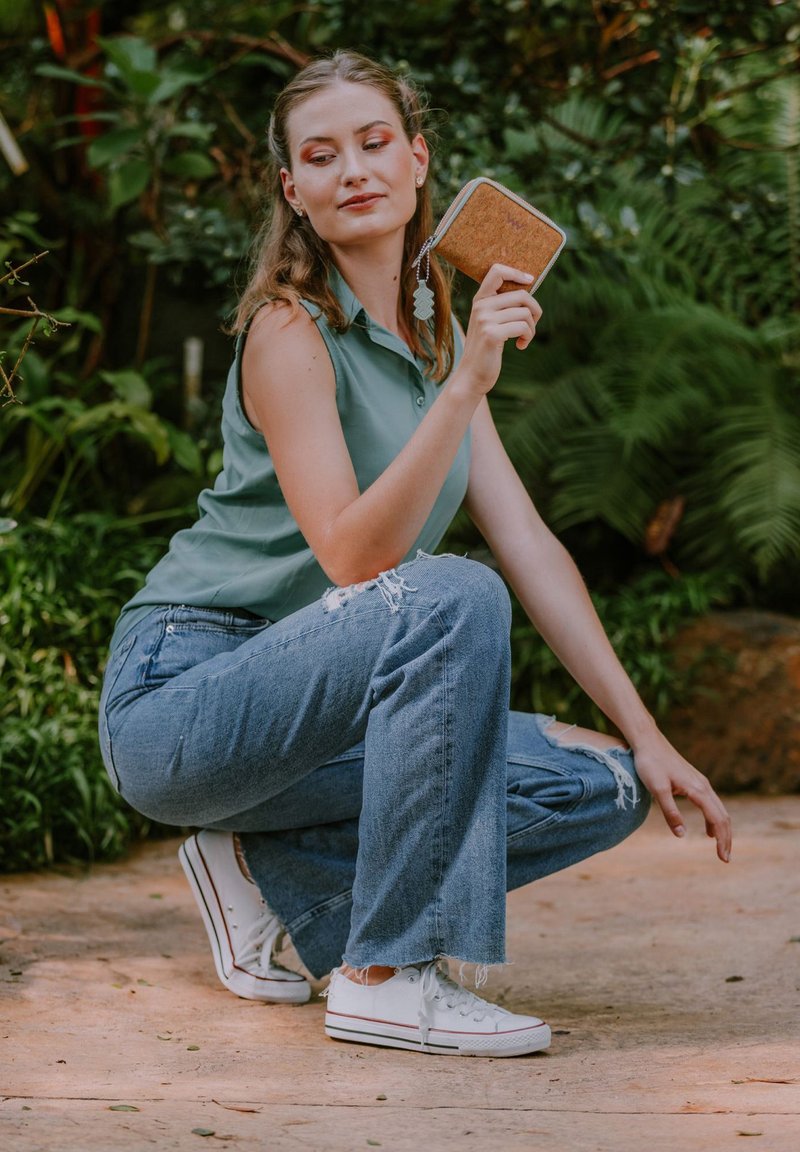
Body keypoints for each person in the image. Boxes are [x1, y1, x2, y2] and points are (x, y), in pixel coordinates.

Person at [98, 49, 732, 1060]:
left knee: (599, 784)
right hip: (190, 697)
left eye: (372, 142)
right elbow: (355, 560)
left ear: (416, 160)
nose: (350, 168)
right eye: (319, 154)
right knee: (446, 590)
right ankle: (388, 974)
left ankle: (267, 876)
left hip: (326, 720)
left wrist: (647, 733)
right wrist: (467, 384)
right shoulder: (286, 332)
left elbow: (527, 544)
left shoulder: (433, 339)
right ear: (291, 192)